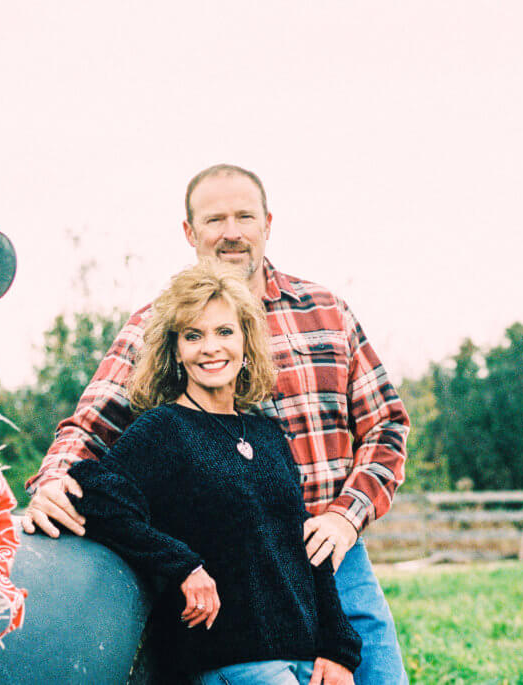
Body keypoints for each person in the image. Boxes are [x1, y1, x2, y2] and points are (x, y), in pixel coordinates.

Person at [24, 164, 410, 684]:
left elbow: (387, 424)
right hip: (235, 586)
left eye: (244, 216)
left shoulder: (326, 312)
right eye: (214, 219)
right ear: (189, 232)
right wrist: (55, 482)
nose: (231, 231)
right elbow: (91, 429)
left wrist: (346, 516)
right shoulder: (154, 325)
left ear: (268, 223)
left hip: (330, 552)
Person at [69, 261, 360, 684]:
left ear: (246, 343)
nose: (210, 347)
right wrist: (183, 566)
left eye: (224, 332)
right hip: (235, 660)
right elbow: (91, 491)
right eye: (193, 335)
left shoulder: (267, 435)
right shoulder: (163, 429)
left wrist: (338, 651)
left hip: (306, 657)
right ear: (175, 350)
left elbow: (303, 548)